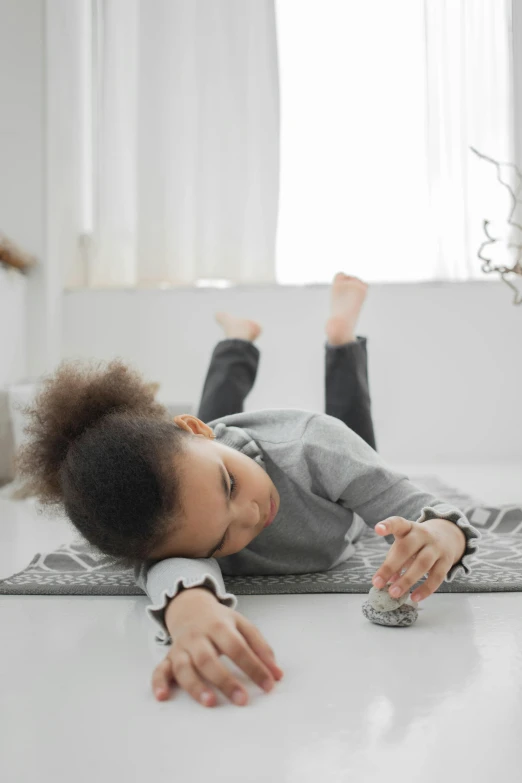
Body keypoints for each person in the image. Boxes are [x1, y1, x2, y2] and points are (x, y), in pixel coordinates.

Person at [18, 274, 480, 710]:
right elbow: (165, 565)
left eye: (230, 487)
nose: (253, 515)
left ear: (197, 433)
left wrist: (443, 533)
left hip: (293, 463)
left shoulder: (312, 445)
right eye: (219, 542)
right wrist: (189, 607)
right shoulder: (179, 521)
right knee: (209, 455)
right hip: (213, 452)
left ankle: (340, 341)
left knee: (355, 437)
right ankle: (237, 339)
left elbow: (421, 508)